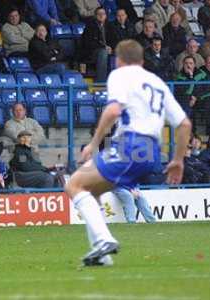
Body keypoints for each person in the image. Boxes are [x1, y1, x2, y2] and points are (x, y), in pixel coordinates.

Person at [65, 39, 191, 267]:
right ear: (142, 61)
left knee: (74, 185)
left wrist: (94, 143)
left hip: (131, 145)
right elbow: (184, 124)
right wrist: (178, 160)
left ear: (118, 59)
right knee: (91, 192)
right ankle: (101, 256)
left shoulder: (120, 75)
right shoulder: (157, 82)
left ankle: (104, 240)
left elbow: (113, 110)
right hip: (152, 151)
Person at [80, 7, 112, 82]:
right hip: (92, 52)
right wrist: (104, 47)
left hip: (108, 50)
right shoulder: (90, 26)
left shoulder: (110, 26)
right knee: (103, 53)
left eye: (103, 14)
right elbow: (89, 44)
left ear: (106, 16)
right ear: (95, 16)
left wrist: (111, 47)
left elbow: (114, 40)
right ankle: (101, 83)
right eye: (99, 14)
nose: (101, 16)